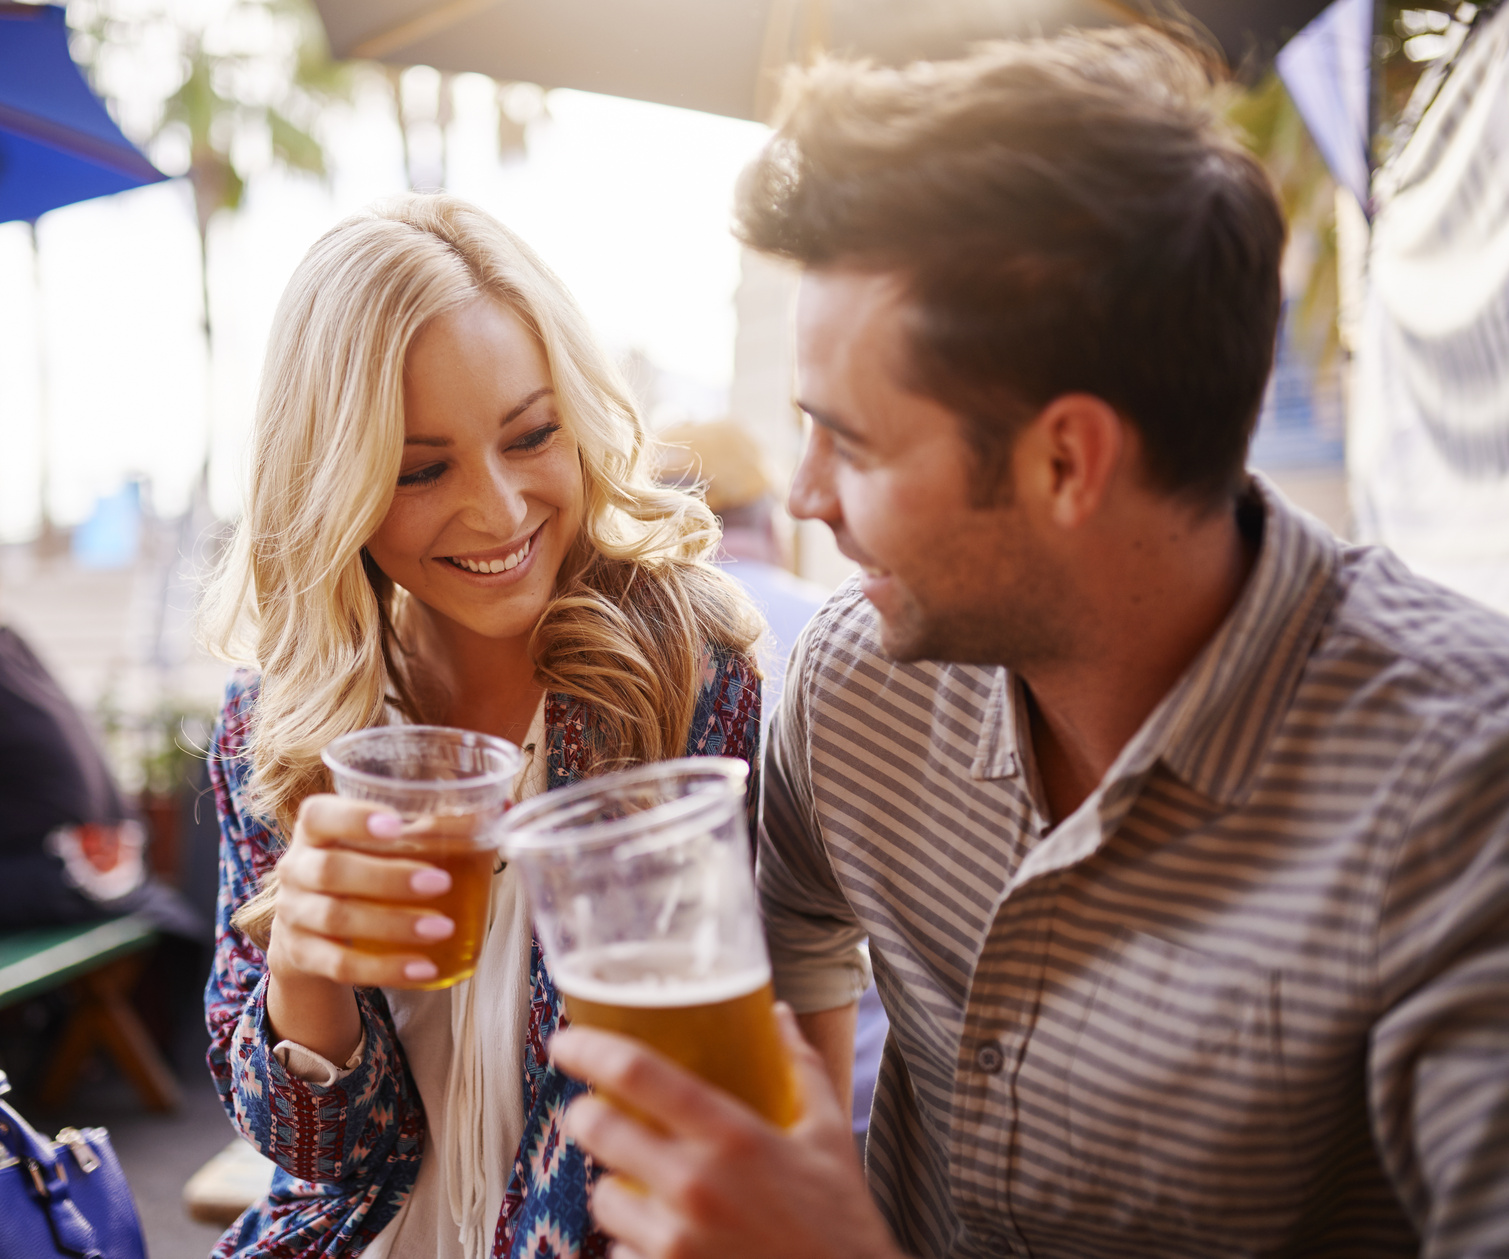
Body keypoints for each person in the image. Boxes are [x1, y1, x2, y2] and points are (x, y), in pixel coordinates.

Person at [551, 26, 1509, 1259]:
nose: (802, 495)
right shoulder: (854, 687)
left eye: (857, 442)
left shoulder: (1459, 798)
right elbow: (789, 974)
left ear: (1069, 460)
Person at [200, 193, 763, 1259]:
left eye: (531, 434)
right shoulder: (280, 718)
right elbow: (325, 1154)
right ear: (335, 484)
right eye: (421, 469)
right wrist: (306, 977)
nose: (499, 510)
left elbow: (721, 1087)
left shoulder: (684, 675)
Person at [658, 419, 890, 1152]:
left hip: (711, 1119)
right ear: (767, 518)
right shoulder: (842, 621)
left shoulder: (635, 648)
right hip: (869, 1099)